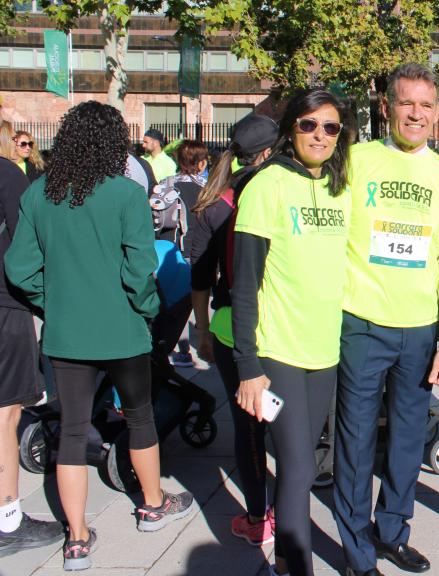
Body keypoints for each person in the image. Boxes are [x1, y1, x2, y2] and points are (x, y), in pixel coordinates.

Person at [4, 101, 196, 572]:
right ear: (113, 144)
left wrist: (51, 302)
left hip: (65, 331)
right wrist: (148, 308)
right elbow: (139, 269)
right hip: (123, 327)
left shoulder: (39, 194)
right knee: (139, 416)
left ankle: (76, 537)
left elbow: (20, 268)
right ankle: (152, 504)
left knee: (72, 429)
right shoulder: (125, 194)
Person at [331, 62, 439, 576]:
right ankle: (357, 553)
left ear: (437, 112)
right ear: (387, 107)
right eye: (407, 102)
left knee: (410, 439)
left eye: (426, 105)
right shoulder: (354, 160)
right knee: (355, 440)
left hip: (420, 331)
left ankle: (392, 532)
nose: (416, 113)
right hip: (362, 324)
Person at [231, 90, 353, 576]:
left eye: (330, 127)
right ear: (291, 129)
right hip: (276, 352)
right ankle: (297, 567)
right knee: (300, 466)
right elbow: (244, 284)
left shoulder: (339, 188)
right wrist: (248, 366)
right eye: (308, 124)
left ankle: (285, 559)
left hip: (324, 353)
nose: (319, 135)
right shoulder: (267, 185)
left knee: (300, 466)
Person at [189, 114, 277, 547]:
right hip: (287, 326)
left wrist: (203, 330)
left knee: (248, 428)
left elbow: (200, 277)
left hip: (230, 327)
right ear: (269, 152)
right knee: (287, 428)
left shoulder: (214, 203)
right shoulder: (284, 190)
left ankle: (259, 516)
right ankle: (289, 508)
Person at [0, 141, 64, 559]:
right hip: (4, 308)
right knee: (6, 414)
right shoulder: (6, 174)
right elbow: (29, 245)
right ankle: (7, 521)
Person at [151, 140, 209, 369]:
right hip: (194, 252)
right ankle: (183, 350)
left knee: (168, 304)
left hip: (166, 251)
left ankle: (165, 348)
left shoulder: (166, 184)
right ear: (201, 162)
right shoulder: (206, 189)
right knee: (189, 302)